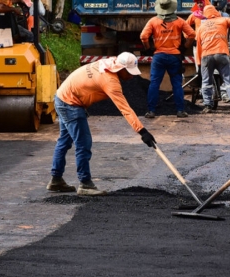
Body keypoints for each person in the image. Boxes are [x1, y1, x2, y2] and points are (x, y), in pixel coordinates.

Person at [46, 52, 157, 196]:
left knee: (64, 141)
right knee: (83, 144)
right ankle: (85, 184)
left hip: (62, 97)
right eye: (129, 72)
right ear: (120, 68)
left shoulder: (108, 62)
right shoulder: (110, 82)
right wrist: (142, 131)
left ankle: (56, 180)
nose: (132, 76)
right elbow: (125, 109)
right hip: (70, 103)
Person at [140, 0, 195, 119]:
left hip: (158, 57)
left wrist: (148, 48)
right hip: (175, 57)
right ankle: (180, 111)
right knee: (176, 84)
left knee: (154, 84)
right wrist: (184, 48)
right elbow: (191, 34)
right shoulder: (179, 21)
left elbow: (143, 36)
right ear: (172, 8)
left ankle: (151, 111)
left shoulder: (153, 21)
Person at [195, 5, 230, 115]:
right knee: (229, 81)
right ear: (216, 12)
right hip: (222, 54)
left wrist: (199, 64)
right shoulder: (223, 20)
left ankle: (208, 105)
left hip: (206, 56)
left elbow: (199, 47)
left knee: (206, 82)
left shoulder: (201, 28)